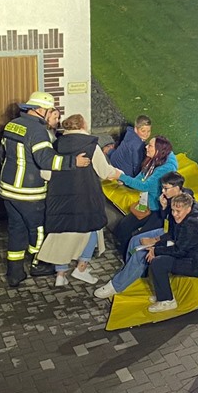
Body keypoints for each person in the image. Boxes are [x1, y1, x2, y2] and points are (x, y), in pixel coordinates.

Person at [37, 114, 117, 287]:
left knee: (61, 235)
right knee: (92, 231)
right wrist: (120, 175)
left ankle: (60, 274)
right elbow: (105, 172)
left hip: (59, 199)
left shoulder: (55, 145)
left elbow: (46, 173)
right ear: (82, 124)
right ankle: (81, 269)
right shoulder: (91, 146)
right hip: (86, 198)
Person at [94, 172, 198, 299]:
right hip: (169, 232)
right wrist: (163, 208)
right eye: (163, 188)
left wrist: (155, 243)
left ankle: (116, 285)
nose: (163, 191)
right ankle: (130, 272)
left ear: (177, 188)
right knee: (136, 240)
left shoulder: (187, 206)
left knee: (142, 253)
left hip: (176, 239)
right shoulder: (170, 198)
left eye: (166, 188)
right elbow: (168, 220)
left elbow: (179, 237)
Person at [0, 91, 59, 287]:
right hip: (29, 193)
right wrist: (71, 162)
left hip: (7, 190)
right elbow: (46, 160)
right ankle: (38, 264)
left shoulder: (11, 124)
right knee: (38, 229)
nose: (52, 115)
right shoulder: (38, 131)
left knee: (16, 229)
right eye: (50, 111)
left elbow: (2, 154)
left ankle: (15, 272)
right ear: (41, 110)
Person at [144, 192, 198, 313]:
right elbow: (173, 236)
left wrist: (156, 250)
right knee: (161, 255)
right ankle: (162, 292)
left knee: (158, 263)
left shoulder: (190, 225)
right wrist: (156, 246)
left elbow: (179, 250)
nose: (174, 214)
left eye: (178, 211)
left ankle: (167, 301)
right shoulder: (190, 217)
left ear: (188, 209)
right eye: (173, 210)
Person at [111, 136, 178, 257]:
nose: (146, 147)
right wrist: (125, 181)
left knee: (140, 238)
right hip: (146, 205)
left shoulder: (165, 169)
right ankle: (125, 254)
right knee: (124, 227)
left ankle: (133, 259)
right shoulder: (153, 160)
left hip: (158, 211)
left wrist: (121, 177)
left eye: (150, 145)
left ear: (159, 150)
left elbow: (144, 186)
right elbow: (141, 177)